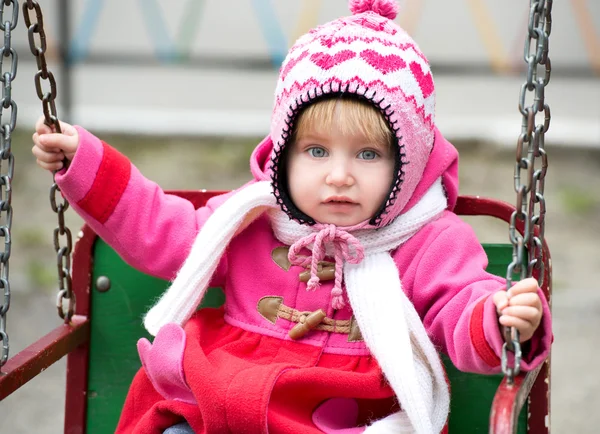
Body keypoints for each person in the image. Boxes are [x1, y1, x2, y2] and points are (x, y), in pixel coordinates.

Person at [31, 1, 551, 432]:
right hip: (220, 399)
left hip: (343, 415)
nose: (339, 176)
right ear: (284, 153)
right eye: (317, 151)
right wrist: (87, 166)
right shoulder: (254, 216)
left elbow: (461, 305)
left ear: (408, 160)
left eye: (368, 155)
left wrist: (500, 319)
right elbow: (165, 233)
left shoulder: (427, 239)